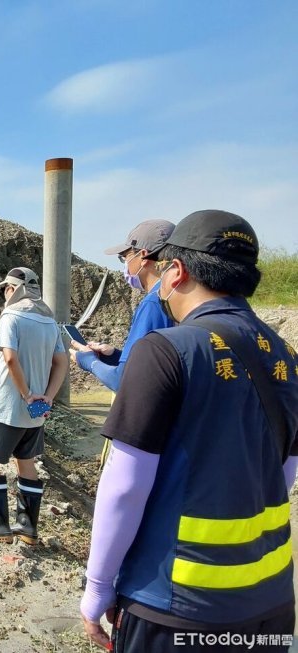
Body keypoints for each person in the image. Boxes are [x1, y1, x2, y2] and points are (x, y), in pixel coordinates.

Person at [80, 210, 298, 652]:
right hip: (271, 600)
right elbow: (285, 471)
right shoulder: (286, 356)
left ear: (175, 271)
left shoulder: (165, 349)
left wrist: (98, 586)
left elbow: (124, 486)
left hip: (175, 603)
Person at [0, 267, 68, 545]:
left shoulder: (11, 317)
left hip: (7, 406)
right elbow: (60, 362)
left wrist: (26, 394)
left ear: (13, 289)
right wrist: (47, 396)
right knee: (25, 460)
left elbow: (11, 359)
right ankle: (27, 527)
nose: (4, 294)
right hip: (36, 412)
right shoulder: (50, 322)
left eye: (5, 289)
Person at [69, 219, 176, 392]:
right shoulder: (178, 296)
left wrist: (89, 361)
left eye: (124, 257)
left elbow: (124, 380)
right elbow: (156, 364)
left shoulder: (154, 303)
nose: (125, 264)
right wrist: (114, 356)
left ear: (142, 256)